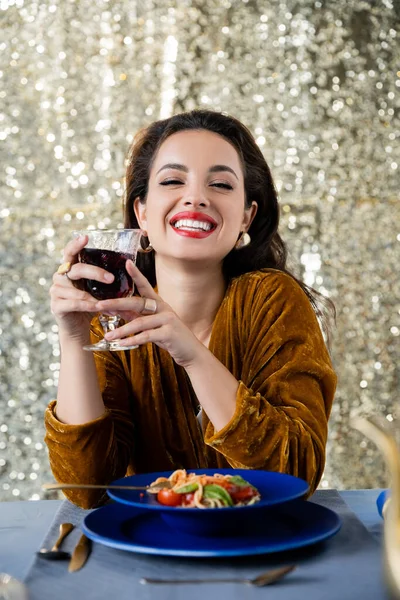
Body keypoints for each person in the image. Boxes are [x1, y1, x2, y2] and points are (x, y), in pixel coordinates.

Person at [47, 110, 337, 509]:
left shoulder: (273, 299)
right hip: (150, 548)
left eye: (220, 184)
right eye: (172, 180)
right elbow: (86, 487)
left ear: (246, 216)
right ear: (142, 214)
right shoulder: (112, 318)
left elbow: (296, 474)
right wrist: (74, 335)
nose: (196, 196)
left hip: (261, 546)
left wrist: (190, 353)